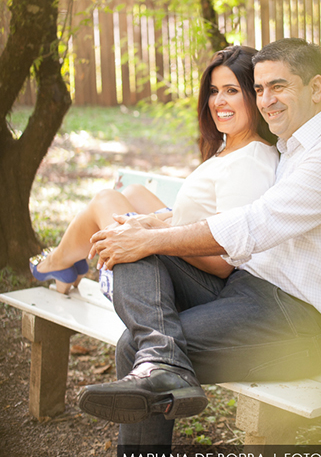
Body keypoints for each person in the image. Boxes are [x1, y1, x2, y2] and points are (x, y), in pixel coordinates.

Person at [80, 38, 321, 457]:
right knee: (130, 248)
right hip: (250, 292)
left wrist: (154, 237)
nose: (267, 100)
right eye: (259, 89)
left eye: (279, 87)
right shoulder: (293, 148)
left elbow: (255, 224)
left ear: (316, 87)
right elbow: (235, 219)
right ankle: (162, 357)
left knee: (132, 341)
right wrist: (145, 230)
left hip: (302, 322)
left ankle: (159, 363)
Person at [29, 45, 278, 299]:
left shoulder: (250, 160)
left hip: (200, 289)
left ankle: (57, 262)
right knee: (135, 193)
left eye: (231, 91)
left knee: (106, 200)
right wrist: (154, 226)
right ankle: (65, 262)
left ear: (254, 94)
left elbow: (223, 263)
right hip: (190, 266)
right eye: (214, 91)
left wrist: (151, 236)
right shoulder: (234, 148)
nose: (218, 101)